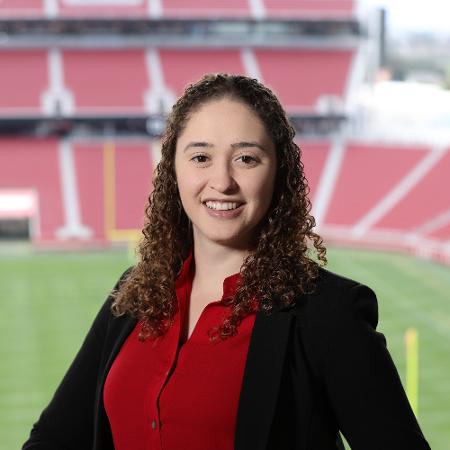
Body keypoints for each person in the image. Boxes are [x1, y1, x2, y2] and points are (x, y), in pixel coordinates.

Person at [23, 73, 430, 450]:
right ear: (173, 171)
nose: (222, 181)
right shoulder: (136, 291)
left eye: (246, 159)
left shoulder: (327, 313)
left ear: (279, 173)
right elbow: (54, 438)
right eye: (200, 157)